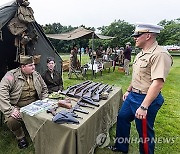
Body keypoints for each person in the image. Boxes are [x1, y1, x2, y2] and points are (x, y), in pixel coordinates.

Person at [109, 23, 173, 154]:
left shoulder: (160, 54)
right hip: (133, 95)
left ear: (148, 36)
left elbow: (158, 83)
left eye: (137, 35)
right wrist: (128, 90)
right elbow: (137, 76)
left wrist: (144, 107)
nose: (135, 38)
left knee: (144, 132)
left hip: (146, 99)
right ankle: (121, 147)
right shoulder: (140, 54)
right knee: (122, 118)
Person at [0, 55, 48, 149]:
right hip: (17, 106)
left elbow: (44, 89)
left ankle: (41, 132)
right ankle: (20, 137)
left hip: (36, 104)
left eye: (33, 64)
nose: (33, 67)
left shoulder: (36, 75)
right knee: (11, 120)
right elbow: (2, 92)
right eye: (30, 65)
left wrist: (45, 101)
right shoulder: (11, 75)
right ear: (23, 67)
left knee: (49, 113)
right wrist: (10, 110)